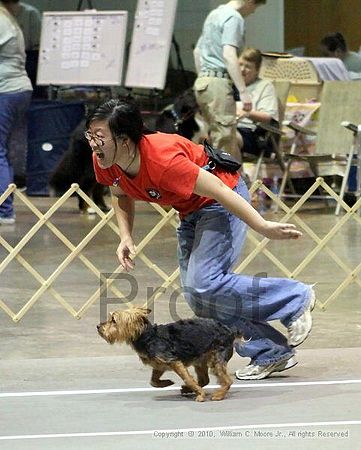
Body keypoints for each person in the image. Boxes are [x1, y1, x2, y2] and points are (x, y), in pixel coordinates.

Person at [87, 98, 316, 381]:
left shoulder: (162, 160)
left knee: (204, 283)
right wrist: (125, 235)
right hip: (189, 210)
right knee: (202, 300)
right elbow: (119, 192)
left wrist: (262, 225)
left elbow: (219, 188)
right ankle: (269, 351)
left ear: (124, 140)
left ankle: (296, 298)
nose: (94, 144)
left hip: (221, 200)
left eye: (100, 137)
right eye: (91, 135)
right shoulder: (105, 160)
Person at [193, 0, 267, 159]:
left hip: (203, 83)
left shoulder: (214, 15)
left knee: (214, 138)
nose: (253, 12)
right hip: (219, 82)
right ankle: (225, 182)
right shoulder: (234, 18)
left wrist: (204, 77)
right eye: (255, 6)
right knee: (224, 140)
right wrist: (243, 91)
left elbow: (197, 52)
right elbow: (229, 54)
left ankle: (236, 181)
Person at [0, 1, 32, 224]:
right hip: (19, 89)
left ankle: (4, 210)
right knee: (6, 152)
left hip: (6, 90)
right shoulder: (9, 20)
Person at [235, 48, 279, 159]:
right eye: (240, 65)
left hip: (253, 134)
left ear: (257, 70)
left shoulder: (265, 86)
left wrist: (247, 113)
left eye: (248, 67)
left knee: (226, 137)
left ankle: (231, 175)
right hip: (228, 127)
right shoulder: (230, 85)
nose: (242, 70)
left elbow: (268, 117)